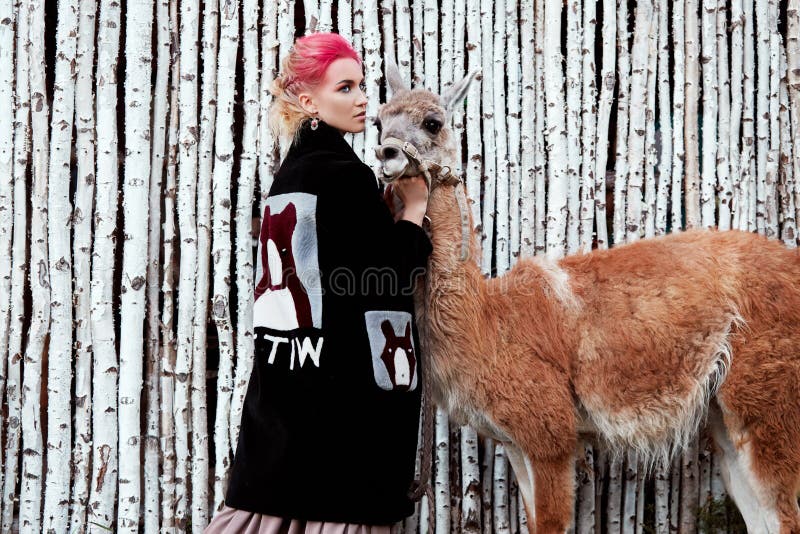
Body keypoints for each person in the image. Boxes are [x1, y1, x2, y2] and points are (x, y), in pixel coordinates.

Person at [204, 32, 433, 534]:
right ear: (308, 101)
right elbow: (386, 273)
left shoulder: (292, 174)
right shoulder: (342, 175)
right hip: (340, 416)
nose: (363, 100)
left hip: (289, 393)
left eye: (361, 86)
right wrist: (413, 212)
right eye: (345, 88)